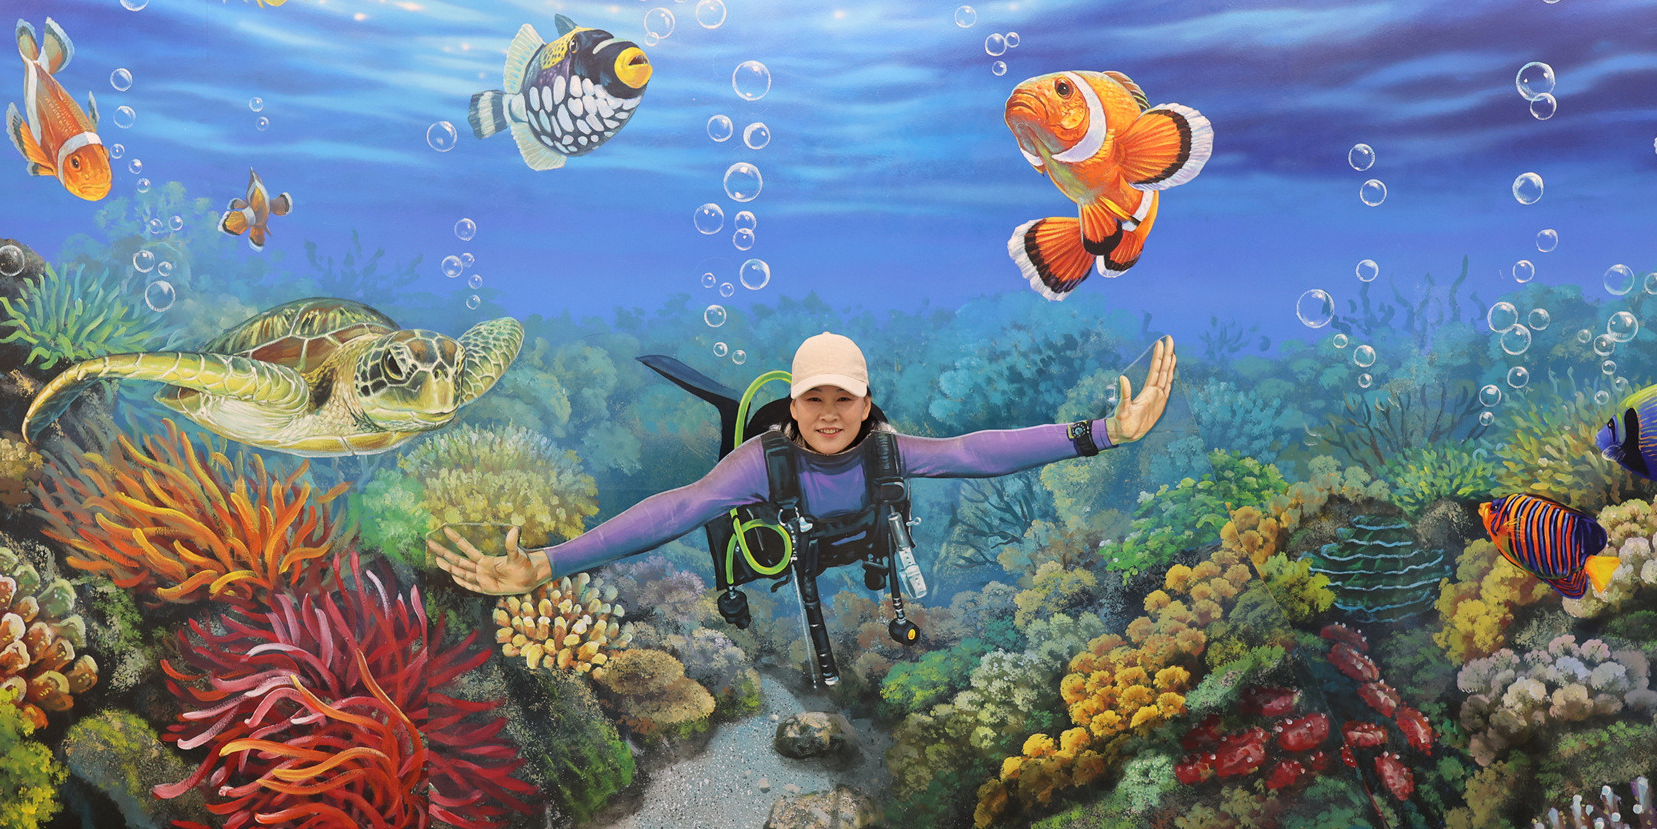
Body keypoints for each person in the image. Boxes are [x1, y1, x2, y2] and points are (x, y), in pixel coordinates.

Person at [429, 331, 1177, 597]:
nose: (827, 414)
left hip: (843, 536)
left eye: (843, 399)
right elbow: (677, 508)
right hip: (771, 521)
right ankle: (733, 409)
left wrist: (1105, 432)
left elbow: (974, 452)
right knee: (723, 506)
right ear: (792, 406)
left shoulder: (887, 450)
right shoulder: (765, 460)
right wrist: (549, 564)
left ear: (867, 404)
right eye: (812, 399)